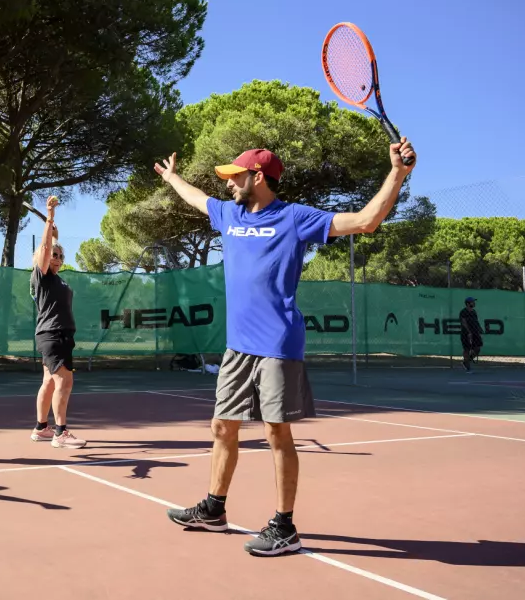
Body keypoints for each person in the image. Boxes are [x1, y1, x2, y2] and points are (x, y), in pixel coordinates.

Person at [155, 139, 417, 556]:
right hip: (237, 346)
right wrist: (172, 179)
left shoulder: (294, 217)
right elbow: (198, 198)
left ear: (257, 177)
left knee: (277, 432)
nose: (228, 184)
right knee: (222, 427)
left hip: (278, 344)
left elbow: (366, 221)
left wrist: (397, 174)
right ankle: (214, 510)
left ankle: (284, 527)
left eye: (235, 176)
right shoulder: (229, 215)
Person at [29, 197, 86, 449]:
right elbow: (44, 248)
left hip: (57, 335)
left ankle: (41, 428)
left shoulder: (57, 279)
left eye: (61, 255)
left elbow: (50, 245)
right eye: (55, 254)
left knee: (50, 382)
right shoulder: (41, 275)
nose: (58, 258)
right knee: (65, 381)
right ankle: (60, 433)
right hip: (53, 335)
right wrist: (50, 216)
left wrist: (54, 235)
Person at [460, 296, 482, 373]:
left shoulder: (474, 312)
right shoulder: (463, 312)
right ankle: (467, 366)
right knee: (466, 349)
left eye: (474, 302)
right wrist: (469, 332)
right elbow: (464, 322)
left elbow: (476, 321)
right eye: (472, 302)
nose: (474, 303)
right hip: (466, 333)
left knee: (477, 348)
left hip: (475, 333)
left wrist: (479, 329)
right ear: (468, 303)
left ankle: (466, 361)